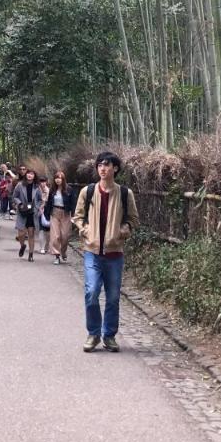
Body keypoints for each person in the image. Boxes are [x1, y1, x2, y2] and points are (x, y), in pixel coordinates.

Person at [72, 151, 137, 352]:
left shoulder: (125, 193)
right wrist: (85, 231)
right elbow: (78, 216)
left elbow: (133, 220)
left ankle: (109, 335)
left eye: (107, 165)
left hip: (114, 253)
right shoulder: (88, 191)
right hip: (92, 251)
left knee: (113, 297)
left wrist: (121, 232)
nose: (103, 168)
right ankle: (93, 333)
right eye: (100, 165)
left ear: (115, 168)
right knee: (91, 293)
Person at [43, 170, 76, 264]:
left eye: (60, 178)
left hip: (65, 213)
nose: (58, 180)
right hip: (54, 213)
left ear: (63, 179)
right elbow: (48, 203)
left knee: (65, 236)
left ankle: (63, 252)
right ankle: (57, 256)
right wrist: (47, 215)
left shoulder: (69, 189)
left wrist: (73, 215)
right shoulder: (53, 190)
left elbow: (73, 203)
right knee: (55, 236)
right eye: (56, 178)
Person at [12, 168, 42, 261]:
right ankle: (22, 245)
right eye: (28, 173)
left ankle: (31, 254)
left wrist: (36, 207)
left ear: (34, 176)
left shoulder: (37, 186)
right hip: (22, 211)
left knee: (31, 234)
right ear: (26, 175)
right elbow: (14, 196)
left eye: (32, 174)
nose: (30, 175)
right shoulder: (20, 185)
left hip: (32, 213)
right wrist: (20, 204)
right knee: (21, 234)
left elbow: (40, 199)